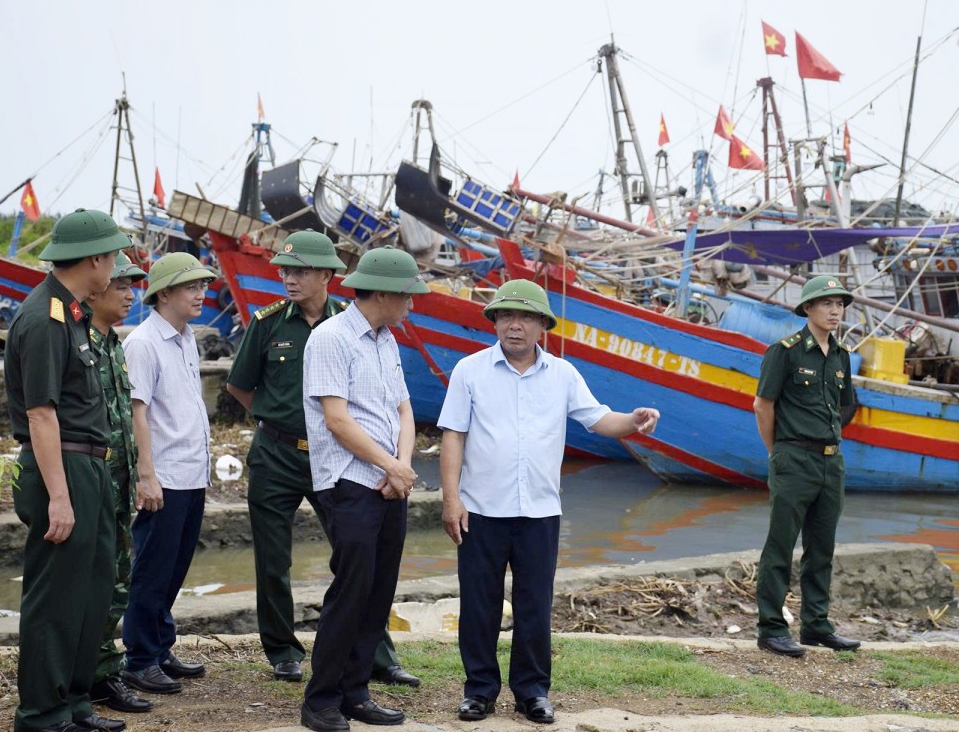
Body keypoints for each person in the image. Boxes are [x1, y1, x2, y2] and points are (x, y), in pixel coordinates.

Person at [438, 279, 660, 725]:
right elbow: (453, 435)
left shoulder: (563, 375)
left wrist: (633, 421)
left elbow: (600, 419)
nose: (513, 326)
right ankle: (479, 691)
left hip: (540, 512)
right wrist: (451, 498)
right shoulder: (470, 371)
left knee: (535, 605)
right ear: (494, 322)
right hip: (481, 509)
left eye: (524, 318)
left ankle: (532, 692)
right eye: (504, 316)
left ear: (543, 325)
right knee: (478, 605)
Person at [225, 231, 419, 687]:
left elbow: (397, 405)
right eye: (286, 271)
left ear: (328, 276)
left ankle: (377, 654)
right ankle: (283, 651)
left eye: (301, 271)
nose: (290, 279)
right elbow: (240, 385)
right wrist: (276, 421)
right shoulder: (269, 323)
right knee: (273, 559)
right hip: (278, 453)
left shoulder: (358, 324)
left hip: (338, 459)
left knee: (358, 556)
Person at [4, 208, 131, 732]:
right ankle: (41, 711)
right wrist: (58, 495)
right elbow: (40, 413)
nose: (117, 269)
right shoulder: (43, 319)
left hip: (92, 465)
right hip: (64, 468)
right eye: (114, 257)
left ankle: (74, 700)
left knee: (92, 590)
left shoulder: (74, 315)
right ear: (95, 259)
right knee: (57, 596)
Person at [298, 247, 428, 732]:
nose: (412, 305)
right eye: (407, 296)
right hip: (351, 482)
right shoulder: (331, 338)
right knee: (350, 592)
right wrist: (391, 465)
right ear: (383, 293)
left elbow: (403, 411)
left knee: (378, 592)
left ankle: (356, 692)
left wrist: (402, 468)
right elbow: (335, 419)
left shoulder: (385, 340)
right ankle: (321, 700)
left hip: (389, 482)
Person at [120, 252, 218, 695]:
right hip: (165, 475)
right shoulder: (143, 342)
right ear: (163, 294)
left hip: (191, 471)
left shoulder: (187, 337)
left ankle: (160, 647)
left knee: (175, 567)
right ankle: (139, 659)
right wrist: (147, 475)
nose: (201, 294)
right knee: (152, 569)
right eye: (190, 287)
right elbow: (136, 411)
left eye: (201, 285)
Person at [752, 275, 861, 658]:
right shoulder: (785, 351)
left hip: (832, 462)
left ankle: (817, 625)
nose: (835, 311)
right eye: (827, 303)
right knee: (780, 546)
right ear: (808, 309)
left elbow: (847, 405)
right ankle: (771, 628)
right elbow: (763, 405)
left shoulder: (842, 356)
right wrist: (778, 452)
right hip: (793, 459)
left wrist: (824, 437)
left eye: (840, 304)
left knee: (822, 548)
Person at [87, 253, 154, 716]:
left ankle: (105, 673)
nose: (131, 295)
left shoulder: (113, 343)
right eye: (123, 286)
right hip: (92, 483)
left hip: (117, 484)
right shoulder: (80, 341)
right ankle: (87, 678)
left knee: (116, 582)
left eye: (134, 286)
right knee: (93, 586)